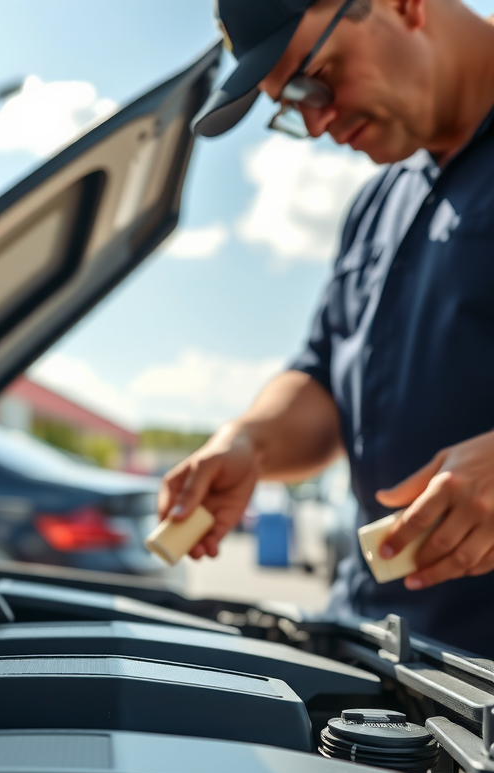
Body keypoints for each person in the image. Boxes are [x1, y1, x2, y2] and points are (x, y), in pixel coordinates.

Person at [160, 0, 494, 654]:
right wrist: (249, 443)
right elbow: (323, 374)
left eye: (317, 80)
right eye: (291, 106)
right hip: (381, 651)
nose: (316, 125)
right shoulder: (379, 202)